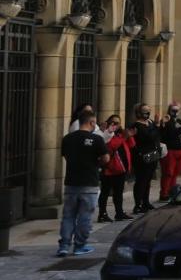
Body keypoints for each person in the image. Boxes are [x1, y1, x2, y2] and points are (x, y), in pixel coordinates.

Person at [58, 107, 109, 257]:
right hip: (89, 182)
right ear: (92, 122)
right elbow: (106, 158)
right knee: (85, 216)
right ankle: (80, 245)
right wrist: (96, 163)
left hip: (71, 182)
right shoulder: (97, 139)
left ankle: (64, 245)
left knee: (68, 215)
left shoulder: (67, 139)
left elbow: (66, 157)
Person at [98, 115, 133, 223]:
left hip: (120, 169)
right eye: (113, 123)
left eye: (117, 123)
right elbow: (110, 146)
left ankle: (119, 212)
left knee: (118, 193)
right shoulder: (106, 134)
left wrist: (128, 136)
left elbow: (131, 145)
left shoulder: (120, 134)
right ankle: (102, 214)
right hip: (109, 169)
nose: (115, 125)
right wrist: (124, 137)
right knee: (105, 192)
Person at [159, 101, 181, 200]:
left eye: (177, 110)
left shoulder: (180, 121)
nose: (175, 112)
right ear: (169, 110)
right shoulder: (166, 121)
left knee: (175, 173)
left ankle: (171, 191)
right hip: (171, 151)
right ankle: (164, 193)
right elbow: (170, 133)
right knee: (168, 173)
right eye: (173, 110)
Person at [130, 103, 161, 214]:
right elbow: (147, 137)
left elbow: (157, 136)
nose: (148, 113)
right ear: (138, 113)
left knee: (148, 180)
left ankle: (145, 202)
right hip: (142, 156)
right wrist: (156, 126)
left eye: (149, 111)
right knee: (141, 181)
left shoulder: (150, 122)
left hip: (152, 155)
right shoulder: (136, 125)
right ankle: (138, 204)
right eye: (145, 111)